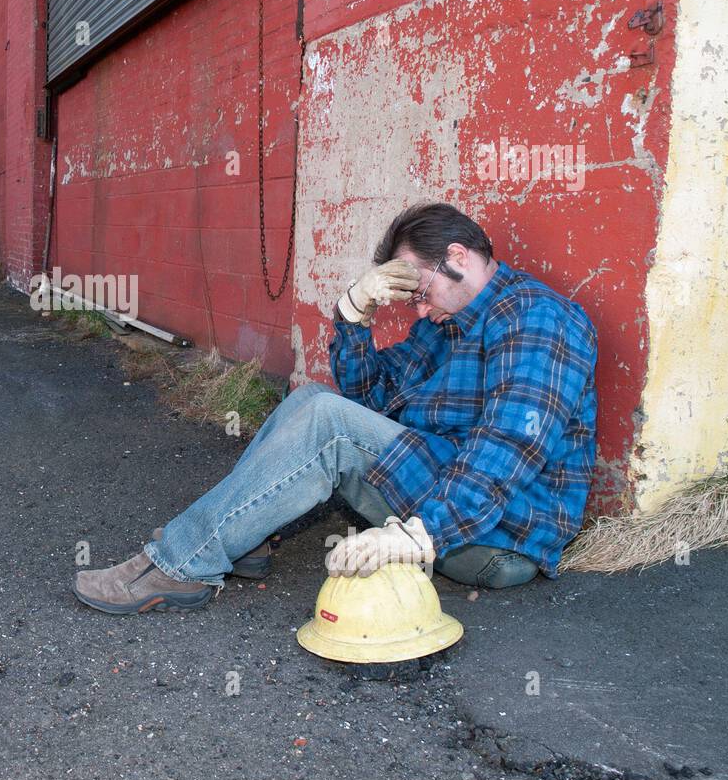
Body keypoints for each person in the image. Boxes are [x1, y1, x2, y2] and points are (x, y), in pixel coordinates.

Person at [73, 202, 598, 614]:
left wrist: (422, 533)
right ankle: (244, 536)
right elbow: (369, 398)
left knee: (329, 423)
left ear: (459, 258)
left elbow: (510, 448)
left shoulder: (537, 319)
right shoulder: (447, 322)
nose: (418, 308)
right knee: (314, 399)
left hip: (499, 535)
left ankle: (181, 563)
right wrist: (353, 315)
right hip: (446, 495)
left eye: (421, 290)